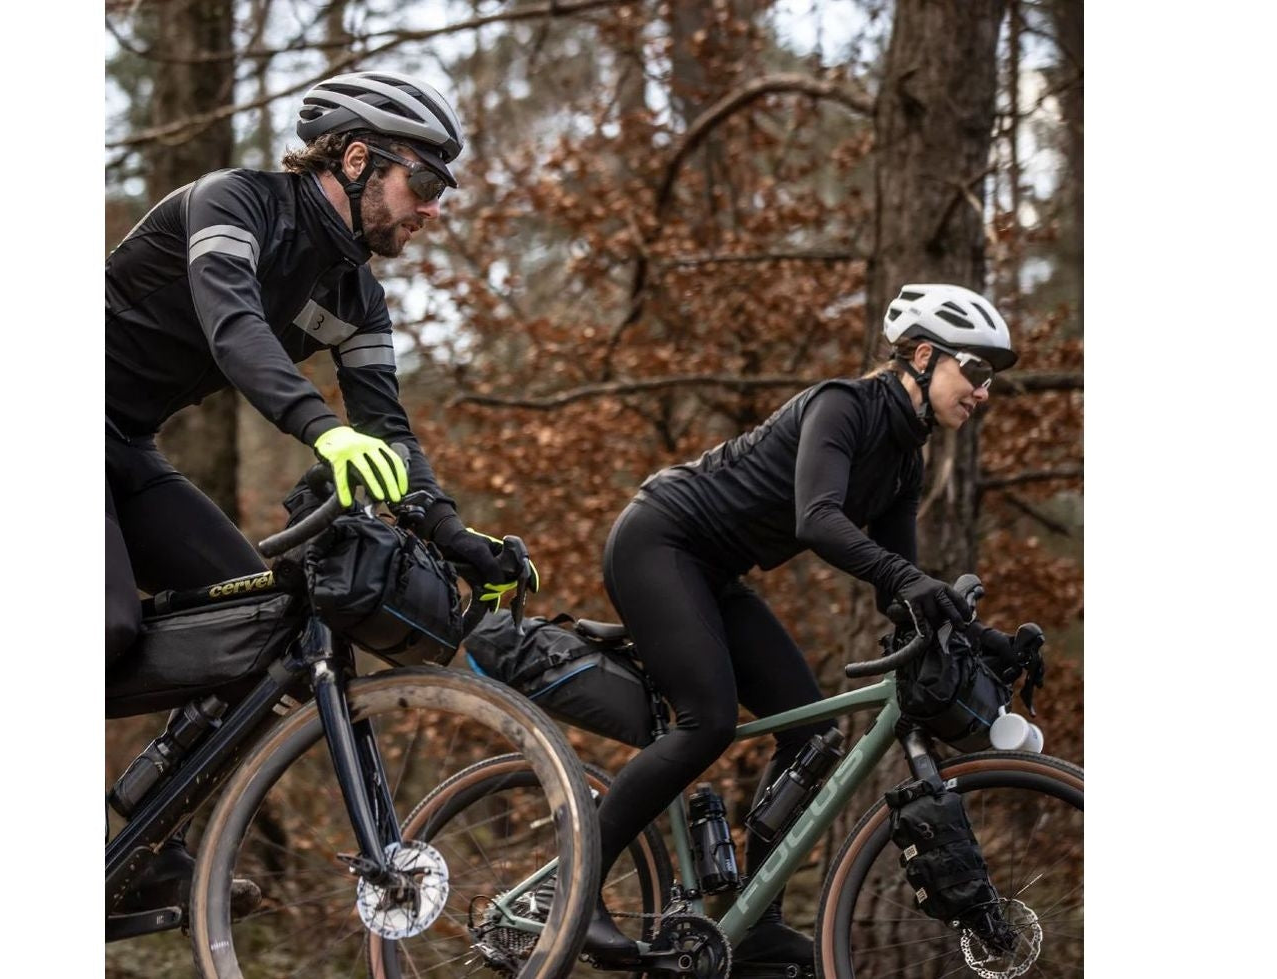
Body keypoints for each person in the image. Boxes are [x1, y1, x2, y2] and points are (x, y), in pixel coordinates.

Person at [105, 70, 532, 908]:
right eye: (426, 183)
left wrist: (453, 535)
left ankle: (141, 841)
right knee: (109, 624)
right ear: (358, 158)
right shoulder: (232, 203)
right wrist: (320, 428)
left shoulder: (357, 298)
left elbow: (389, 429)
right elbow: (235, 330)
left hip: (121, 446)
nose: (434, 209)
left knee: (261, 634)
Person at [580, 284, 1021, 968]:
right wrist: (909, 581)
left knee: (812, 734)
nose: (984, 392)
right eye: (977, 370)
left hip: (714, 573)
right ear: (924, 356)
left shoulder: (904, 462)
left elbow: (898, 588)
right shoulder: (843, 405)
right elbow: (816, 518)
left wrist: (979, 636)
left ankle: (758, 920)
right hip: (659, 541)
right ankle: (578, 894)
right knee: (708, 722)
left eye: (991, 379)